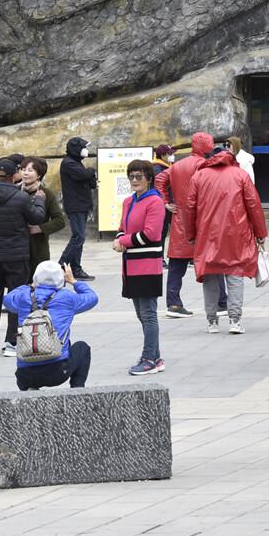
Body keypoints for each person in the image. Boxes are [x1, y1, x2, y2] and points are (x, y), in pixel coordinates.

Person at [188, 138, 267, 333]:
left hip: (207, 234)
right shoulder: (240, 175)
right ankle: (235, 320)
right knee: (235, 274)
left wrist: (191, 234)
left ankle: (212, 321)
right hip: (236, 234)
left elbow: (190, 208)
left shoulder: (199, 176)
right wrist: (260, 233)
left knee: (209, 276)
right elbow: (254, 205)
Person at [0, 158, 46, 357]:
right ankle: (11, 342)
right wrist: (39, 200)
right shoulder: (20, 197)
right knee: (17, 298)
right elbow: (37, 217)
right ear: (13, 175)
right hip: (17, 255)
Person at [3, 260, 98, 390]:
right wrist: (74, 281)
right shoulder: (66, 297)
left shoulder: (23, 296)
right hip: (57, 372)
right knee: (82, 347)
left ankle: (30, 388)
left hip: (25, 374)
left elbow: (7, 299)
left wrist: (30, 286)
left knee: (62, 344)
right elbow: (92, 297)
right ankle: (77, 391)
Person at [115, 159, 166, 375]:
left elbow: (151, 234)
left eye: (139, 176)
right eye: (131, 176)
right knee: (140, 313)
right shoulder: (129, 201)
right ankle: (155, 356)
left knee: (148, 314)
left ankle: (149, 358)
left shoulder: (155, 201)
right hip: (130, 265)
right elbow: (122, 227)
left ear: (149, 178)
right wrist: (119, 238)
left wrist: (123, 241)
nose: (134, 180)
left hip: (147, 264)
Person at [162, 132, 213, 318]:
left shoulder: (177, 165)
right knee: (213, 264)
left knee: (176, 265)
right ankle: (221, 302)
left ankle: (173, 303)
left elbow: (160, 180)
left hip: (180, 220)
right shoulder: (205, 165)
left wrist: (166, 202)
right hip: (201, 221)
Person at [59, 136, 98, 281]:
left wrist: (90, 174)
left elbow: (90, 182)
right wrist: (91, 170)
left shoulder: (76, 162)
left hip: (82, 204)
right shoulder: (68, 163)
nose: (86, 150)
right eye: (84, 147)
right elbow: (83, 175)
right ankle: (61, 265)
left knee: (80, 239)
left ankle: (75, 268)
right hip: (75, 205)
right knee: (78, 237)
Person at [19, 156, 67, 269]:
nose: (25, 173)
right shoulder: (15, 191)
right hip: (18, 247)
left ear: (39, 175)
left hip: (38, 247)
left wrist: (39, 228)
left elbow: (59, 221)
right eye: (23, 169)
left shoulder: (46, 193)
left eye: (30, 170)